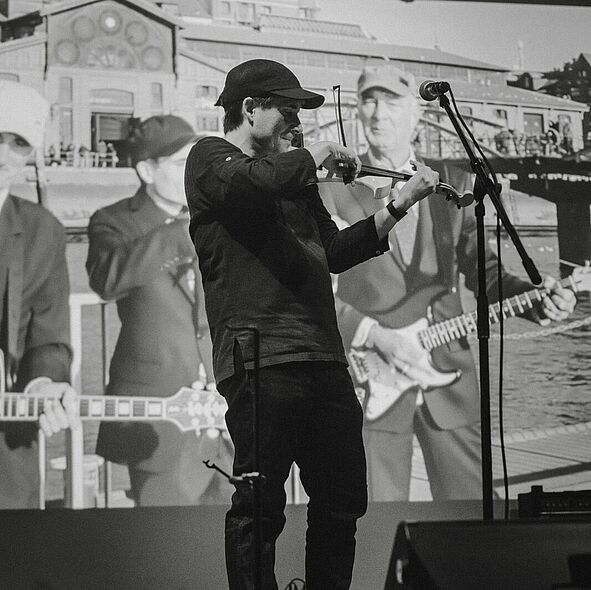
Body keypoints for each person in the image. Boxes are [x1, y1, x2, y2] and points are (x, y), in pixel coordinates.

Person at [184, 59, 441, 590]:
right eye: (289, 110)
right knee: (260, 503)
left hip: (322, 355)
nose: (297, 122)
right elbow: (254, 183)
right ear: (250, 109)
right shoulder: (209, 158)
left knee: (342, 499)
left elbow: (335, 251)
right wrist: (315, 155)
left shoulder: (293, 181)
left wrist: (398, 205)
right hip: (259, 357)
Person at [321, 64, 577, 502]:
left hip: (449, 376)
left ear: (417, 113)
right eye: (369, 100)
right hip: (369, 381)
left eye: (391, 101)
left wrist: (535, 300)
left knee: (472, 511)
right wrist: (370, 334)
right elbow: (311, 286)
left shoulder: (454, 184)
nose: (378, 112)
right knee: (373, 516)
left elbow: (485, 272)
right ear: (358, 111)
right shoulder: (330, 190)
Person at [86, 115, 233, 506]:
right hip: (158, 423)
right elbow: (105, 280)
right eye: (181, 163)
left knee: (240, 534)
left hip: (228, 417)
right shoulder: (113, 221)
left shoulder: (219, 218)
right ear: (146, 171)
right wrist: (177, 233)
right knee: (167, 535)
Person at [0, 80, 78, 509]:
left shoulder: (42, 231)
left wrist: (45, 381)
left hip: (7, 456)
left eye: (18, 143)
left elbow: (48, 336)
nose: (2, 155)